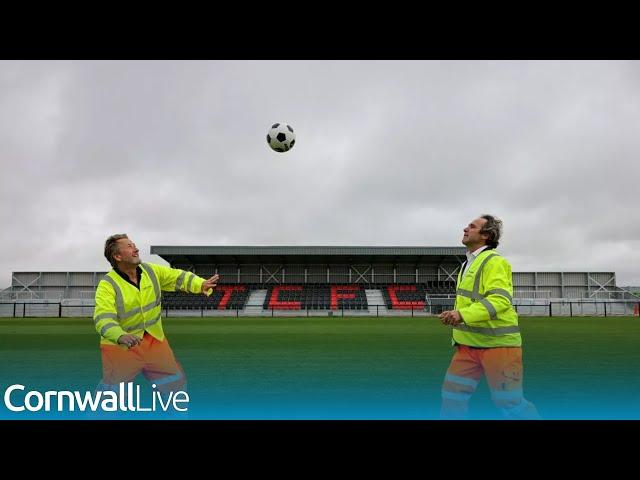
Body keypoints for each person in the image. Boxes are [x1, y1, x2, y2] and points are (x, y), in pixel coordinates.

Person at [93, 234, 219, 412]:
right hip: (121, 347)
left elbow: (178, 277)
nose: (135, 249)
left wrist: (201, 284)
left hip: (154, 341)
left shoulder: (151, 271)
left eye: (134, 245)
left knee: (175, 384)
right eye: (129, 246)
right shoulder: (107, 285)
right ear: (117, 256)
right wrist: (119, 335)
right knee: (112, 395)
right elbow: (103, 318)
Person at [438, 215, 540, 420]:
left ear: (486, 235)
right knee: (452, 397)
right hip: (467, 346)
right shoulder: (469, 263)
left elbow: (500, 301)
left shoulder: (494, 262)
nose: (465, 228)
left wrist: (462, 314)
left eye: (472, 226)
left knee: (509, 403)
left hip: (498, 345)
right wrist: (456, 314)